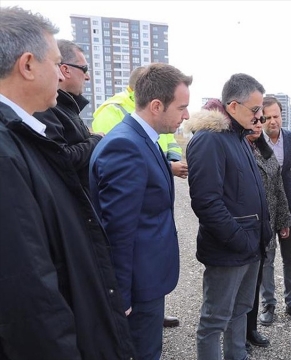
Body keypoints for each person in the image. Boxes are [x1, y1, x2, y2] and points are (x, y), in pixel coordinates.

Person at [0, 6, 134, 358]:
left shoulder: (23, 136)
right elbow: (28, 291)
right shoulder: (6, 153)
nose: (61, 77)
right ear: (28, 65)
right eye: (55, 64)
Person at [90, 63, 191, 360]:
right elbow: (118, 230)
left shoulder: (144, 137)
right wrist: (120, 294)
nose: (186, 115)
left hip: (146, 278)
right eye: (182, 107)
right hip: (137, 285)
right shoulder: (126, 145)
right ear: (157, 106)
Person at [186, 74, 271, 360]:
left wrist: (260, 235)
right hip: (228, 249)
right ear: (233, 106)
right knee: (214, 320)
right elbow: (206, 202)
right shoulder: (210, 140)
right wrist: (240, 239)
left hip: (250, 246)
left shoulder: (239, 137)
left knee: (241, 310)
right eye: (255, 109)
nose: (260, 116)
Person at [245, 111, 291, 350]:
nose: (257, 125)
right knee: (243, 284)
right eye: (254, 120)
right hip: (245, 228)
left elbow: (278, 189)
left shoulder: (266, 151)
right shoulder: (238, 148)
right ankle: (238, 334)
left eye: (260, 121)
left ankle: (250, 329)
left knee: (255, 282)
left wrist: (284, 220)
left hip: (267, 226)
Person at [258, 96, 291, 325]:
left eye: (275, 116)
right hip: (266, 212)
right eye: (266, 117)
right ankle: (268, 303)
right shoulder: (254, 141)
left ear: (282, 115)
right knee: (267, 259)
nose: (271, 121)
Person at [93, 65, 189, 180]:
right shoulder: (111, 110)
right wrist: (168, 166)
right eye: (181, 108)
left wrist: (171, 160)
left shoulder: (154, 119)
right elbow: (118, 157)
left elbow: (169, 140)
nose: (187, 116)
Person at [33, 39, 102, 188]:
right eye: (84, 69)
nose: (87, 76)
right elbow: (62, 158)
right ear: (65, 70)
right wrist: (96, 140)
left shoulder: (67, 106)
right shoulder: (46, 108)